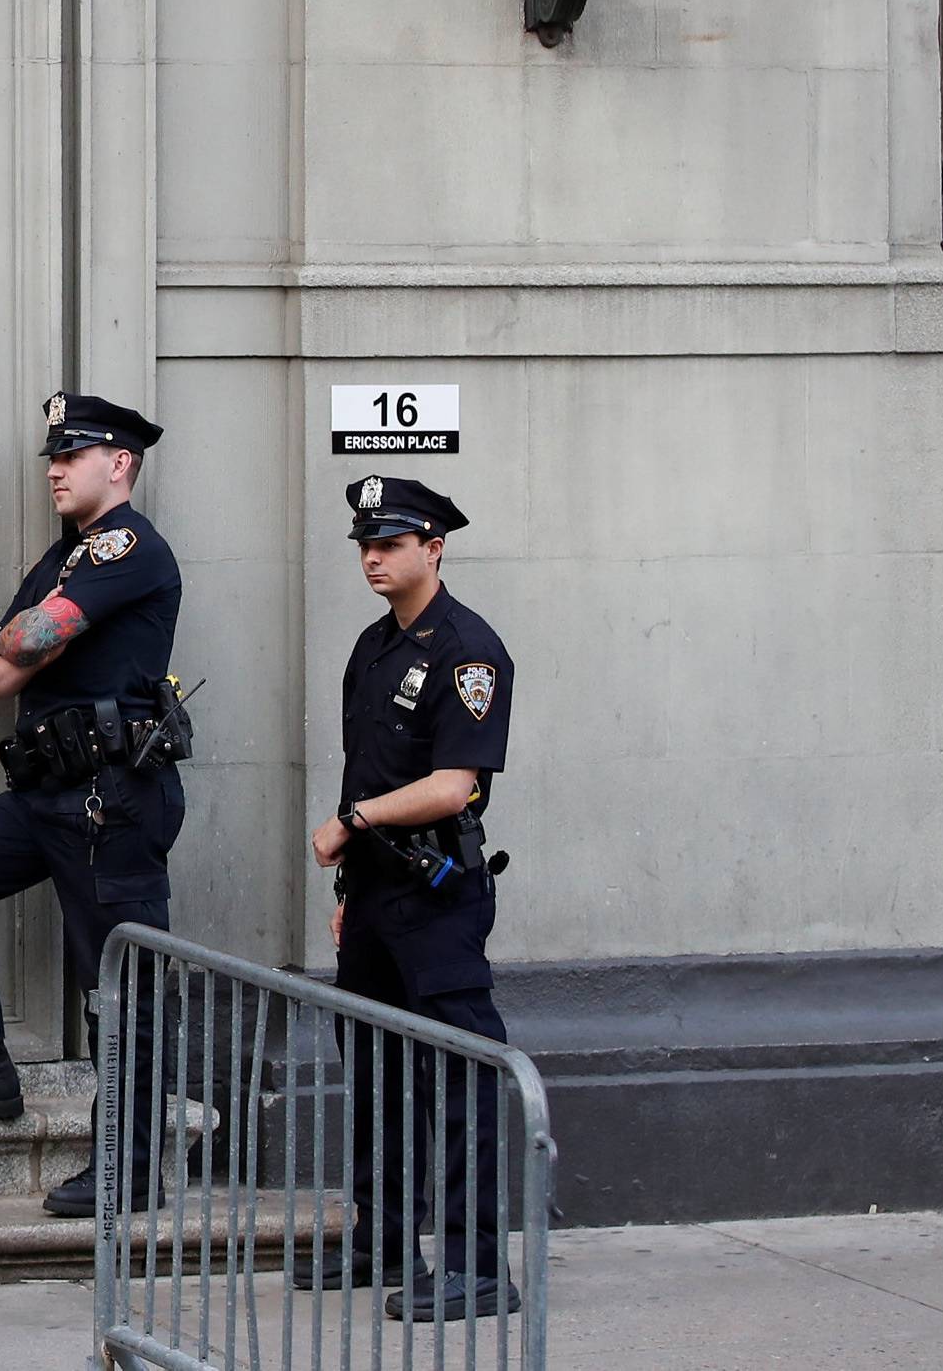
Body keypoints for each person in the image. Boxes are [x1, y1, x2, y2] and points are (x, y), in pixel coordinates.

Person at [0, 390, 187, 1220]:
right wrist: (10, 650)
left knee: (118, 982)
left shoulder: (125, 549)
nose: (54, 469)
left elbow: (3, 657)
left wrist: (11, 650)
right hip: (49, 792)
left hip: (111, 802)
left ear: (119, 463)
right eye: (51, 457)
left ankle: (128, 1164)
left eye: (71, 456)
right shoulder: (68, 558)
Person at [303, 476, 519, 1325]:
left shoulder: (470, 652)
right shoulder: (374, 647)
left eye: (390, 544)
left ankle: (476, 1264)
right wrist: (350, 891)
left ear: (435, 548)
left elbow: (452, 784)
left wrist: (352, 821)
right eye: (365, 545)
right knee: (377, 1073)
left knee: (462, 1077)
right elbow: (372, 765)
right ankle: (381, 1242)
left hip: (438, 899)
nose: (373, 558)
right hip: (378, 899)